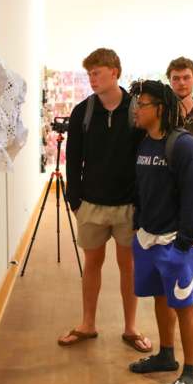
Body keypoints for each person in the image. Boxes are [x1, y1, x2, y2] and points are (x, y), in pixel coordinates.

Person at [59, 48, 152, 353]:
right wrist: (75, 200)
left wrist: (140, 202)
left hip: (127, 206)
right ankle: (87, 324)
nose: (92, 79)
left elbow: (144, 157)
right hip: (91, 204)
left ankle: (131, 328)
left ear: (114, 72)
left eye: (97, 72)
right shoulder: (82, 112)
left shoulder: (136, 110)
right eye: (89, 73)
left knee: (129, 266)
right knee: (92, 264)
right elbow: (73, 158)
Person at [127, 80, 193, 384]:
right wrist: (139, 227)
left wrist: (185, 244)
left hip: (178, 241)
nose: (136, 109)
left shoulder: (184, 145)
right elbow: (142, 189)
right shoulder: (145, 143)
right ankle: (166, 355)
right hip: (149, 238)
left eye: (142, 104)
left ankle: (191, 373)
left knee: (184, 305)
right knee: (161, 298)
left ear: (159, 109)